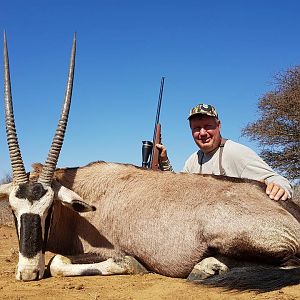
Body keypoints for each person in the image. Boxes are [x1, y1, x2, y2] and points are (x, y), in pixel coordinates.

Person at [156, 103, 293, 201]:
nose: (202, 133)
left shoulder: (236, 152)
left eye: (208, 126)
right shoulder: (193, 160)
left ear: (219, 125)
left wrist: (280, 187)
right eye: (197, 128)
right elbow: (178, 189)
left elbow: (278, 180)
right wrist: (164, 160)